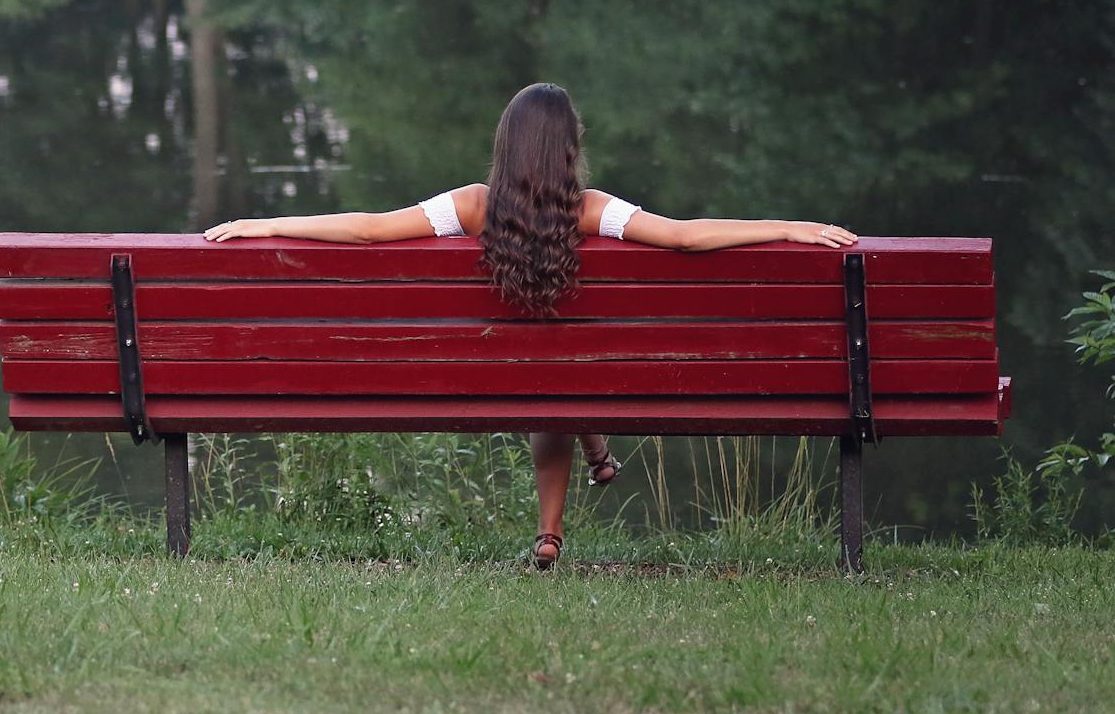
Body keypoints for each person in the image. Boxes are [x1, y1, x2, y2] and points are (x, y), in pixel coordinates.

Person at [203, 81, 857, 568]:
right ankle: (570, 493)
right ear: (569, 148)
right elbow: (684, 238)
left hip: (494, 373)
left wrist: (267, 222)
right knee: (562, 371)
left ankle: (562, 509)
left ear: (506, 145)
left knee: (546, 371)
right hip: (573, 371)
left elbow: (371, 228)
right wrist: (785, 227)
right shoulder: (591, 209)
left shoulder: (473, 206)